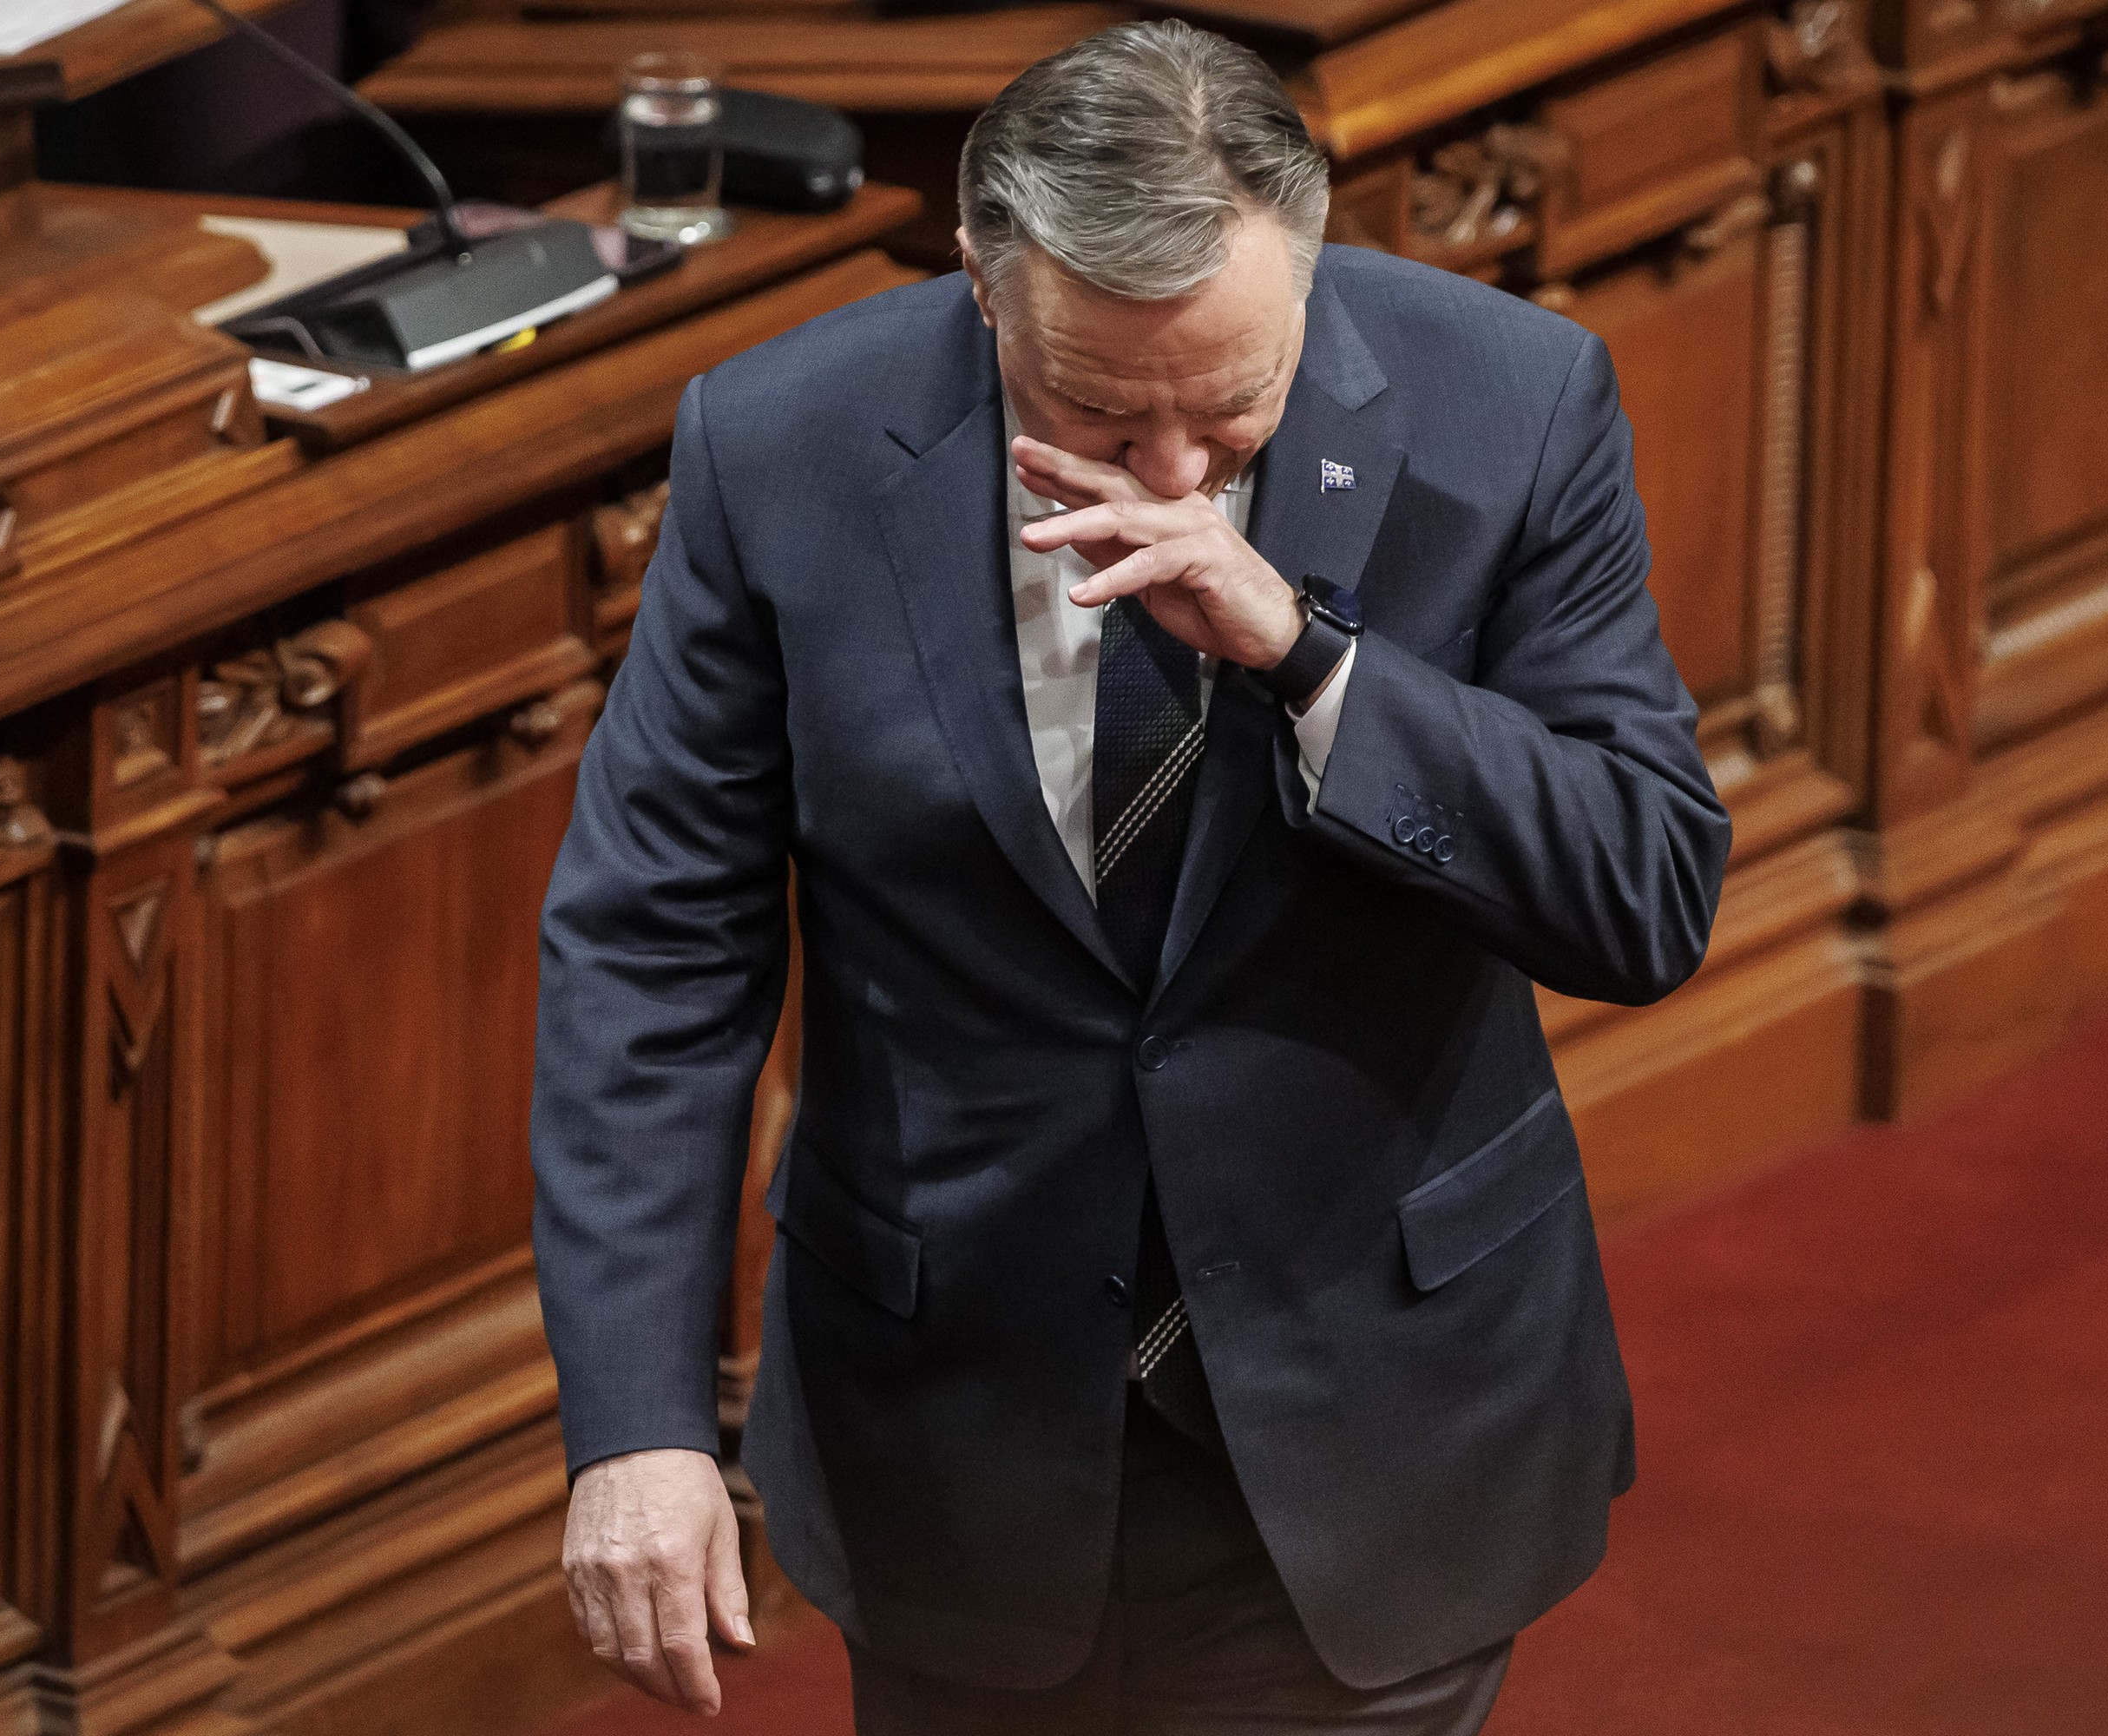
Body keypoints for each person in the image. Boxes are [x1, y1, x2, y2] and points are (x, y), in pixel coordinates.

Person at [530, 20, 1730, 1734]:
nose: (1171, 478)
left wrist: (1315, 664)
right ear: (980, 284)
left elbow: (1644, 887)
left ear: (1308, 288)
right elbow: (656, 956)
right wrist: (641, 1421)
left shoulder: (1511, 402)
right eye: (1096, 407)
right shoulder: (778, 448)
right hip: (958, 1433)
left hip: (1370, 1408)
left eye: (1230, 416)